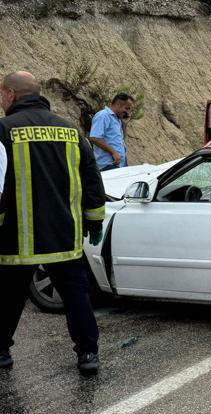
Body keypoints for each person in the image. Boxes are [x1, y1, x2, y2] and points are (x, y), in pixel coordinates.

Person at [0, 71, 106, 376]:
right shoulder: (71, 131)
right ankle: (88, 354)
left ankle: (2, 351)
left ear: (10, 94)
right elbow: (92, 182)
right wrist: (95, 221)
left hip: (16, 240)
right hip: (64, 237)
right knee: (76, 298)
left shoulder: (3, 130)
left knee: (7, 298)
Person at [90, 93, 134, 171]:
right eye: (127, 108)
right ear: (118, 104)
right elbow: (94, 137)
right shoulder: (103, 115)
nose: (128, 112)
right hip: (108, 165)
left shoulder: (117, 119)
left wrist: (124, 125)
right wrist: (113, 152)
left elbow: (121, 139)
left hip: (119, 164)